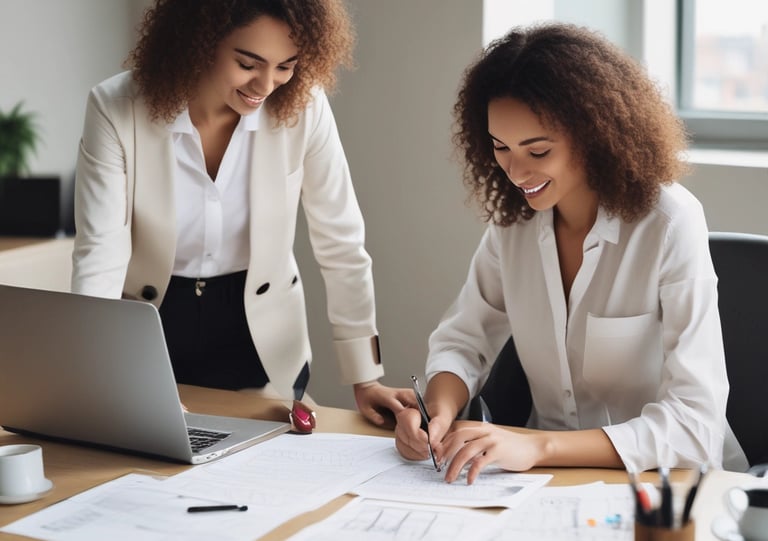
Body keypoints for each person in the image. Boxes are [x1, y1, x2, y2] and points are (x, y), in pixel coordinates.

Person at [394, 22, 749, 482]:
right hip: (543, 483)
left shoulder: (669, 222)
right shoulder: (514, 224)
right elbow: (465, 339)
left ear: (594, 134)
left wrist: (536, 444)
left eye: (537, 151)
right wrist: (437, 412)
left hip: (663, 484)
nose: (516, 172)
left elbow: (695, 425)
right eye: (500, 147)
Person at [71, 0, 412, 426]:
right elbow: (101, 253)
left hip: (260, 331)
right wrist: (97, 376)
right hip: (151, 325)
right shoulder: (116, 107)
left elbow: (341, 240)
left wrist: (365, 376)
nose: (267, 85)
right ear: (200, 42)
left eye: (286, 65)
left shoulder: (304, 106)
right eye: (248, 63)